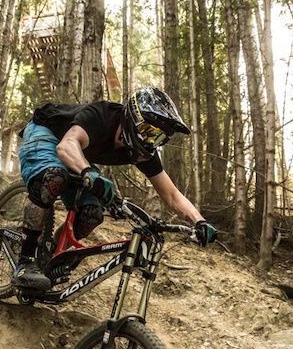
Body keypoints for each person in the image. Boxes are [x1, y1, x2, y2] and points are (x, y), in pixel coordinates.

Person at [13, 87, 217, 290]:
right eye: (148, 132)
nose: (150, 141)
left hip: (76, 155)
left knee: (92, 214)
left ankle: (49, 256)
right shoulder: (101, 116)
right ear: (134, 118)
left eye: (158, 138)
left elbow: (172, 195)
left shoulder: (143, 151)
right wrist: (88, 172)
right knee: (54, 178)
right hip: (47, 133)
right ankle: (25, 261)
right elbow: (67, 145)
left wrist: (199, 221)